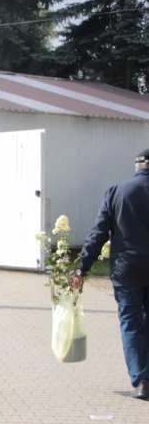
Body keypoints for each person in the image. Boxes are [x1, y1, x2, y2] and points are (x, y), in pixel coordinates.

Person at [72, 149, 149, 399]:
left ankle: (141, 380)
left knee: (130, 322)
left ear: (137, 166)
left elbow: (98, 233)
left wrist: (82, 267)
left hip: (126, 269)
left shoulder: (117, 191)